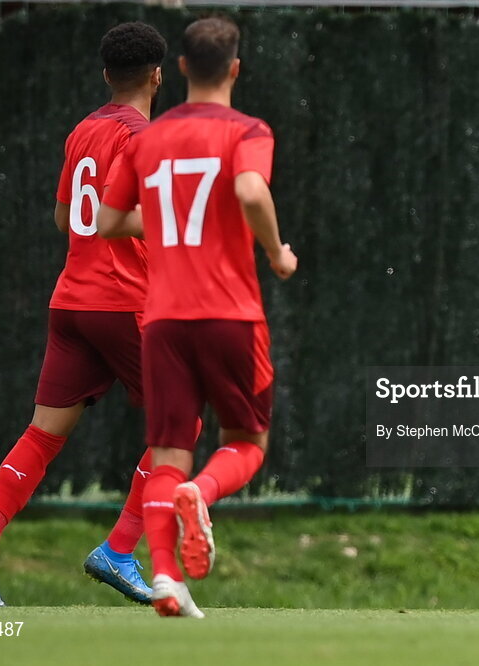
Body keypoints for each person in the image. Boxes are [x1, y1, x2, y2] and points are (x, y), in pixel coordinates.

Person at [0, 22, 168, 607]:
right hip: (124, 302)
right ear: (157, 76)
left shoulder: (82, 131)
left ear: (105, 74)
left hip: (70, 302)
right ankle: (119, 549)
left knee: (44, 435)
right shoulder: (146, 137)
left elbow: (64, 216)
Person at [98, 16, 297, 619]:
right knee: (247, 442)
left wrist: (160, 221)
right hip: (230, 315)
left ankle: (163, 578)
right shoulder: (248, 129)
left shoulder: (147, 139)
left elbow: (106, 223)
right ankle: (202, 493)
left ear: (180, 69)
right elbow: (250, 192)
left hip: (161, 320)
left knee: (166, 452)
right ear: (235, 69)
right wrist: (277, 252)